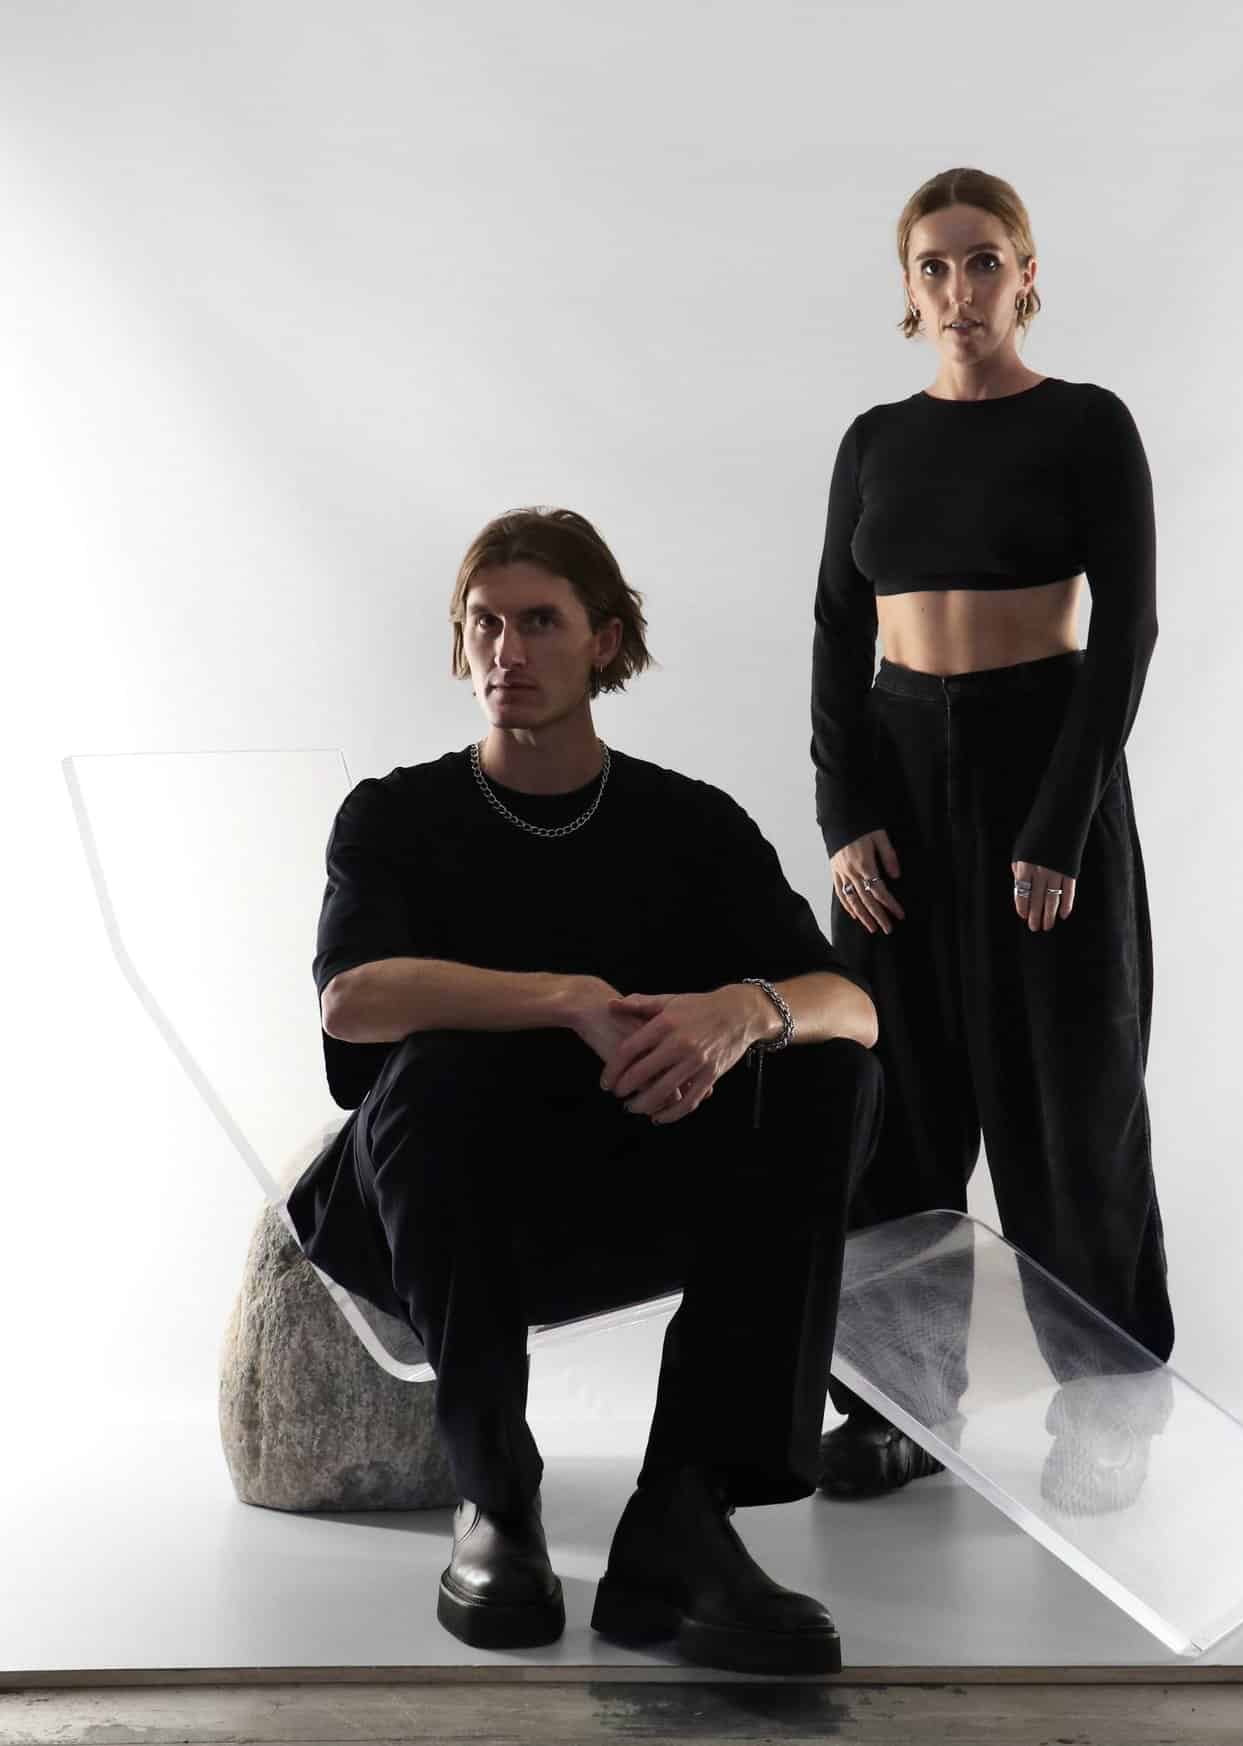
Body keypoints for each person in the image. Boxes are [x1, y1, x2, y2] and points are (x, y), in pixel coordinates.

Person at [287, 507, 882, 1675]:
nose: (506, 650)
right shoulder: (399, 814)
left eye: (540, 622)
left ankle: (685, 1517)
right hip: (430, 1208)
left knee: (830, 1074)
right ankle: (496, 1500)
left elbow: (853, 1005)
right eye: (484, 624)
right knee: (435, 1071)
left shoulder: (689, 822)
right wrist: (563, 996)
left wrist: (744, 1009)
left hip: (622, 1195)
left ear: (605, 640)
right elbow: (351, 1000)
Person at [809, 167, 1175, 1499]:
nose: (959, 288)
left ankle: (1110, 1413)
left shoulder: (1086, 423)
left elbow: (1125, 630)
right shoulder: (873, 440)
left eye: (983, 260)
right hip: (899, 780)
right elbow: (836, 633)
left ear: (1027, 275)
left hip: (1041, 766)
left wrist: (1060, 820)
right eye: (934, 265)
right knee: (891, 1110)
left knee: (1069, 1108)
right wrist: (844, 813)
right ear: (908, 290)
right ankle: (899, 1410)